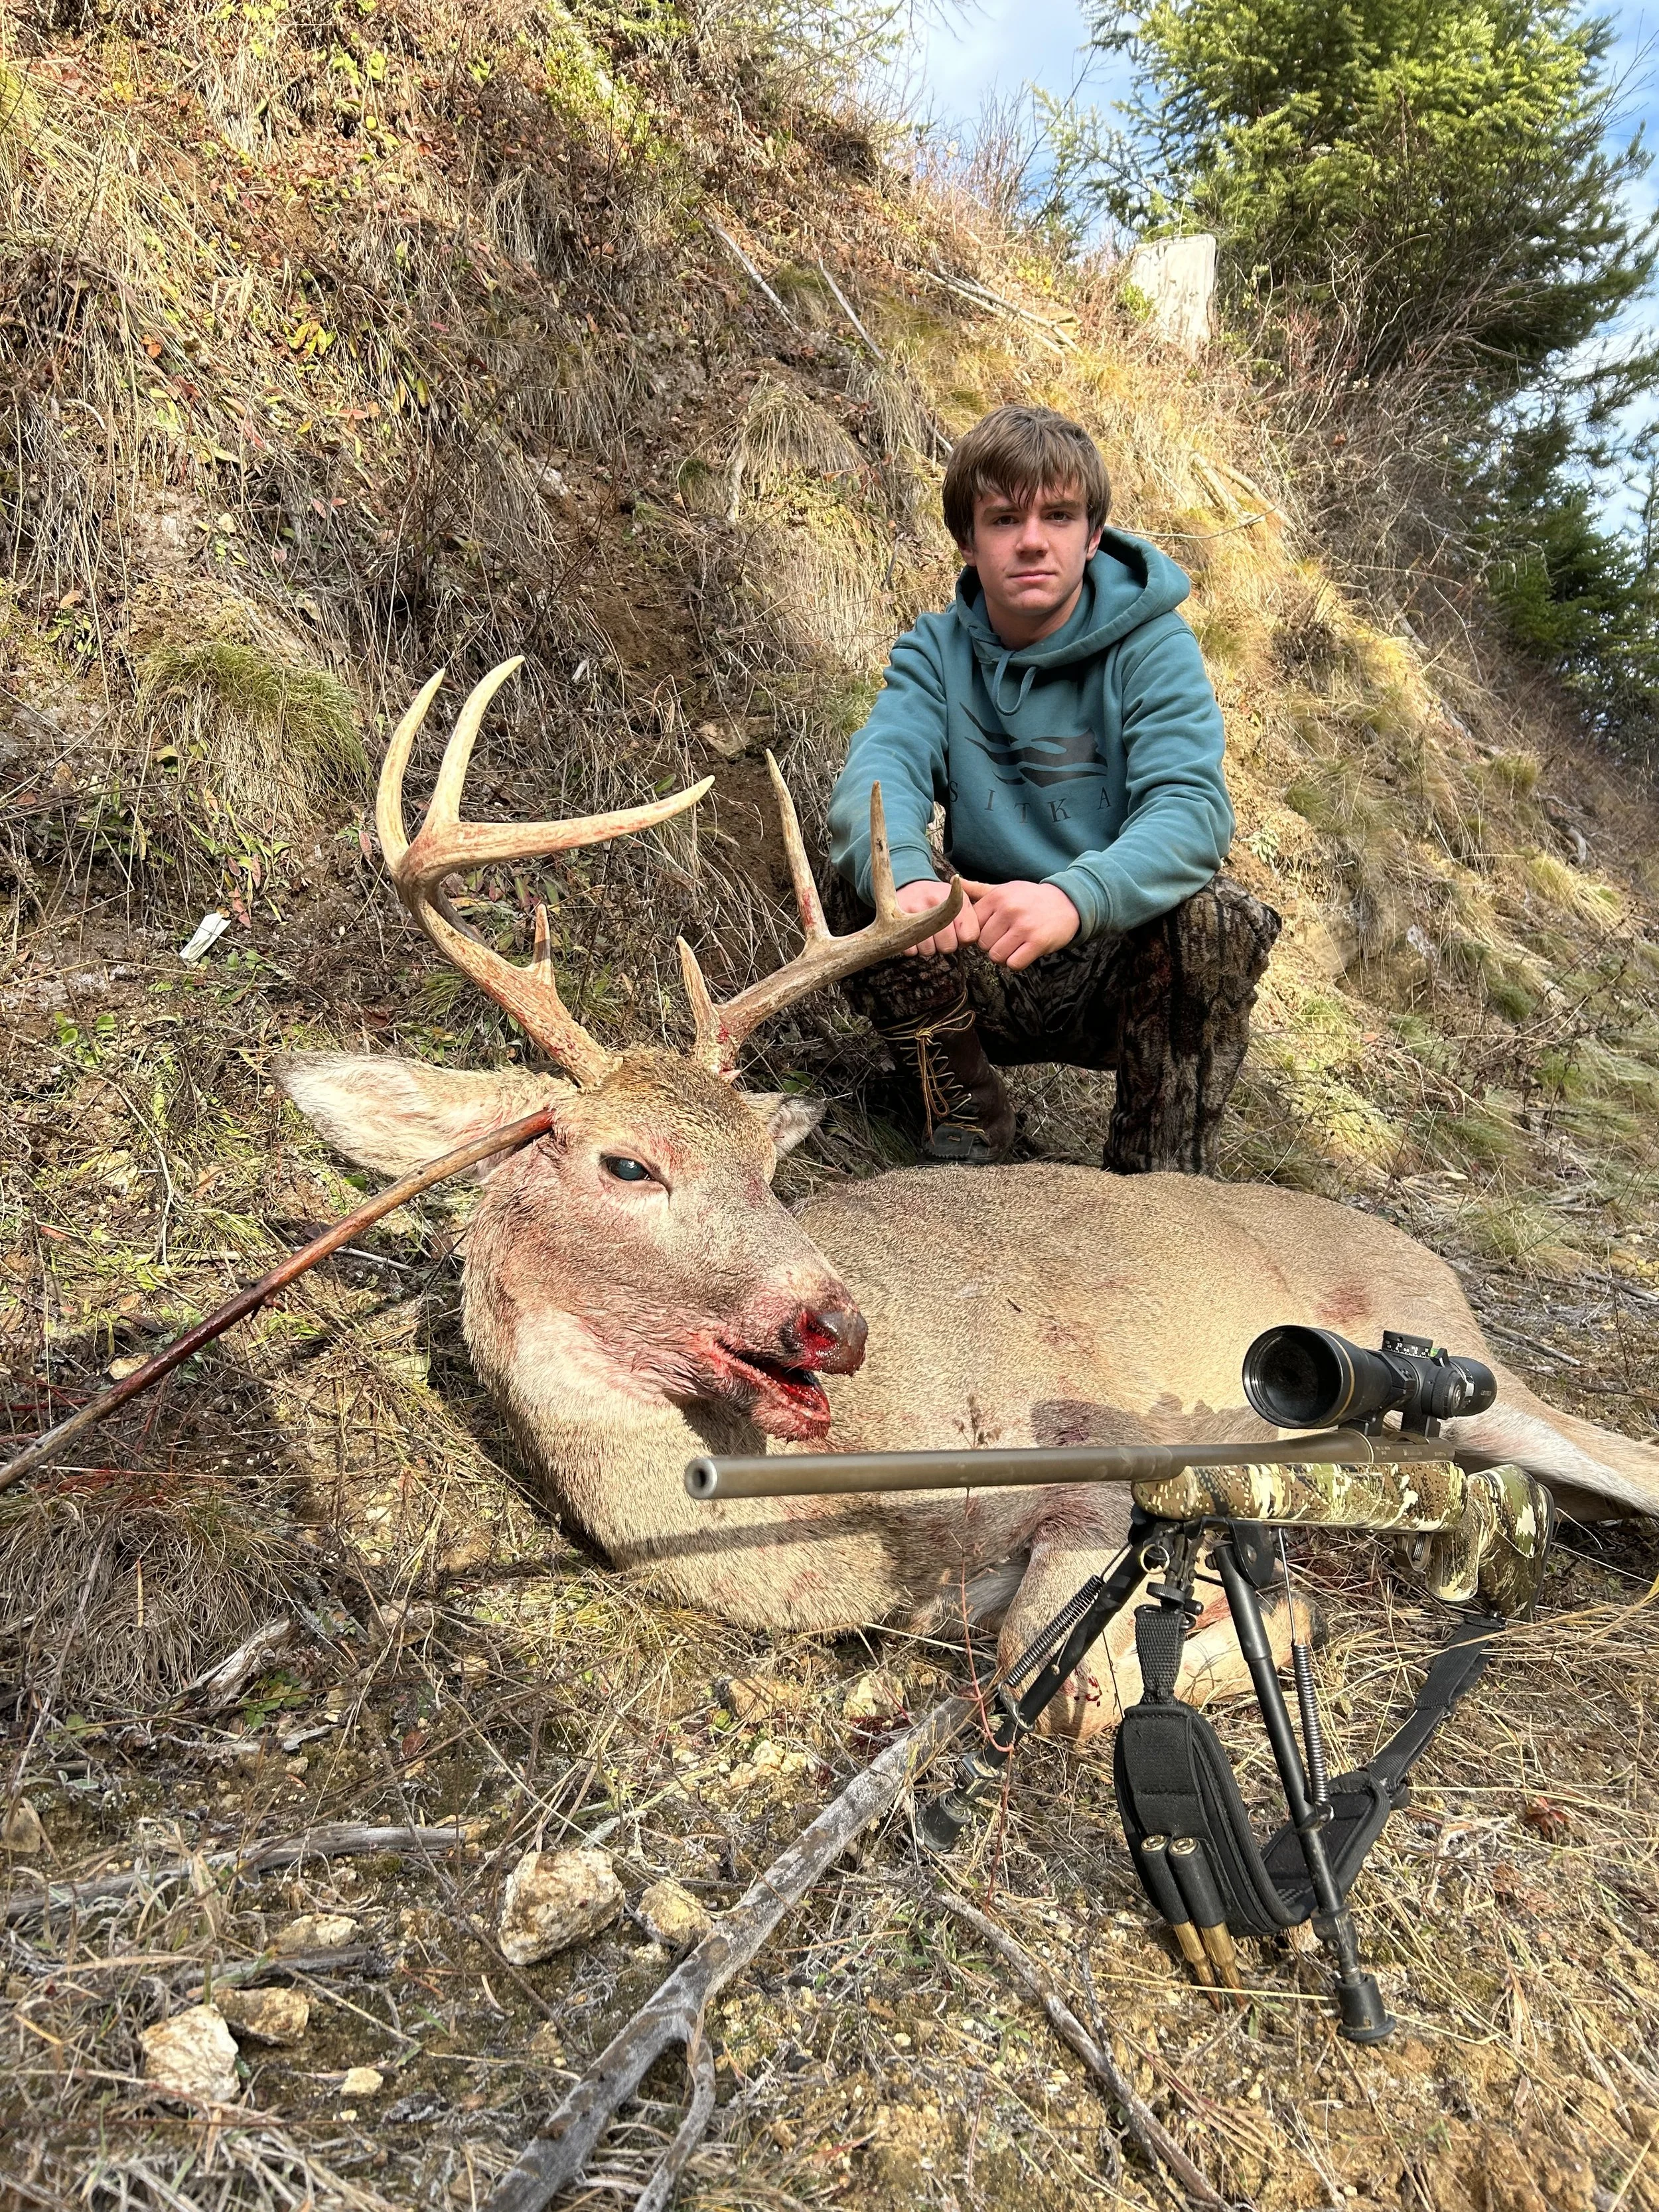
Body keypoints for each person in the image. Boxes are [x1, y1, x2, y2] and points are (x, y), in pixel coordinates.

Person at [826, 402, 1280, 1173]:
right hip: (985, 951)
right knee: (858, 873)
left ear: (1093, 535)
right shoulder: (935, 651)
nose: (1032, 540)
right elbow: (881, 767)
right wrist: (903, 875)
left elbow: (1191, 810)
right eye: (1004, 519)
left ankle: (1156, 1176)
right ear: (967, 542)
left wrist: (1075, 898)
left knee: (1216, 920)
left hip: (1114, 957)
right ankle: (967, 1120)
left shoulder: (1153, 644)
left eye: (1058, 516)